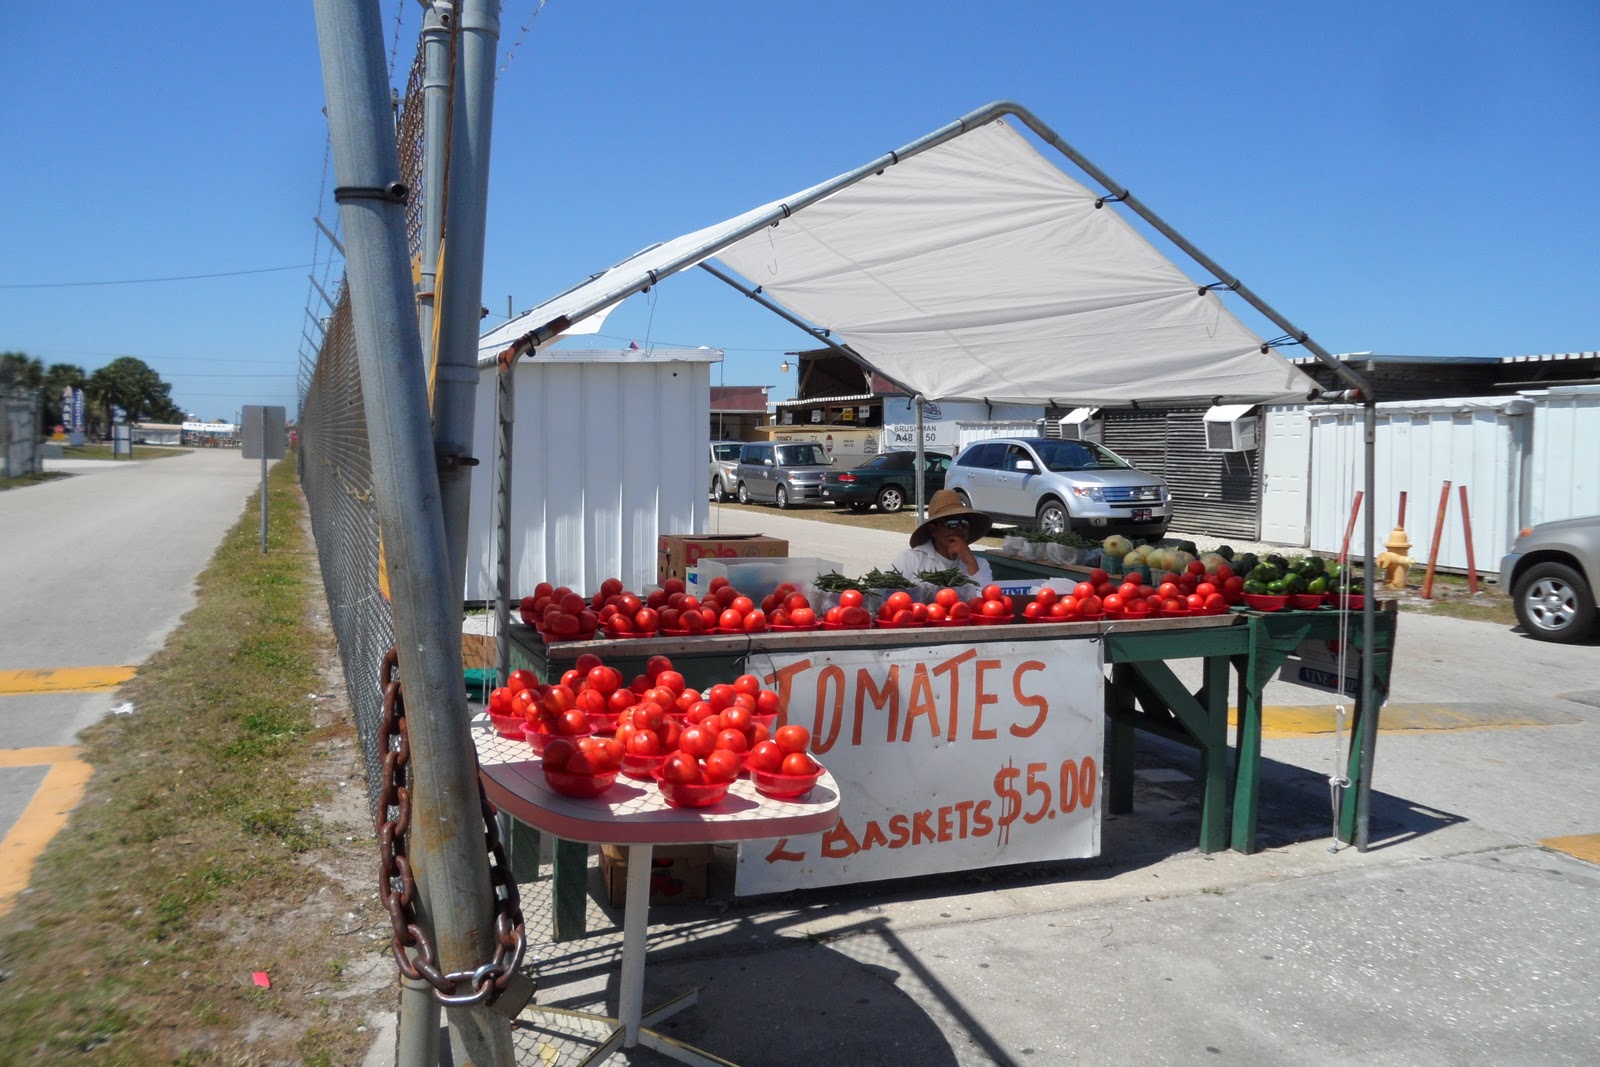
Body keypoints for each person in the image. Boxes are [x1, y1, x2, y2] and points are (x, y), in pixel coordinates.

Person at [890, 489, 995, 587]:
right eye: (952, 523)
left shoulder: (980, 564)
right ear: (933, 530)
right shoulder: (911, 559)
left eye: (964, 523)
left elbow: (987, 596)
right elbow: (886, 592)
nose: (960, 528)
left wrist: (970, 563)